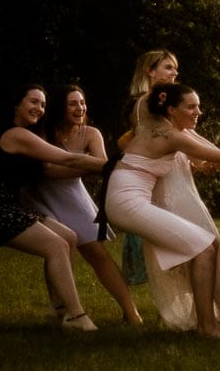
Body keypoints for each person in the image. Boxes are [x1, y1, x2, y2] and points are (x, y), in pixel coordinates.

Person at [106, 81, 220, 337]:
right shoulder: (172, 136)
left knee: (208, 245)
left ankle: (210, 321)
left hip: (124, 198)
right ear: (170, 110)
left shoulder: (158, 127)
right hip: (126, 202)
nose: (198, 112)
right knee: (204, 248)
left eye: (199, 106)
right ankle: (207, 326)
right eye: (191, 107)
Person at [0, 84, 110, 331]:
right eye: (33, 102)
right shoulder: (17, 135)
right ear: (16, 105)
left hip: (7, 204)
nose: (39, 109)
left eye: (42, 104)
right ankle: (76, 316)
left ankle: (57, 309)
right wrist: (113, 166)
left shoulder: (27, 134)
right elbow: (68, 158)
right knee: (55, 245)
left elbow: (58, 169)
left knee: (68, 236)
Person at [27, 82, 143, 325]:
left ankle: (131, 312)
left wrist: (71, 166)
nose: (80, 107)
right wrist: (82, 164)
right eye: (73, 103)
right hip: (42, 195)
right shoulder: (44, 132)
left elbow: (101, 166)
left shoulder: (91, 133)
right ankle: (59, 309)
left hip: (73, 196)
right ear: (60, 107)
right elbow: (46, 170)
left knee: (98, 254)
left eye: (82, 102)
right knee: (56, 248)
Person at [116, 48, 180, 284]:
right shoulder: (143, 103)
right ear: (149, 71)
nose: (175, 72)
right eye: (168, 67)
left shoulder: (173, 101)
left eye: (175, 68)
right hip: (149, 171)